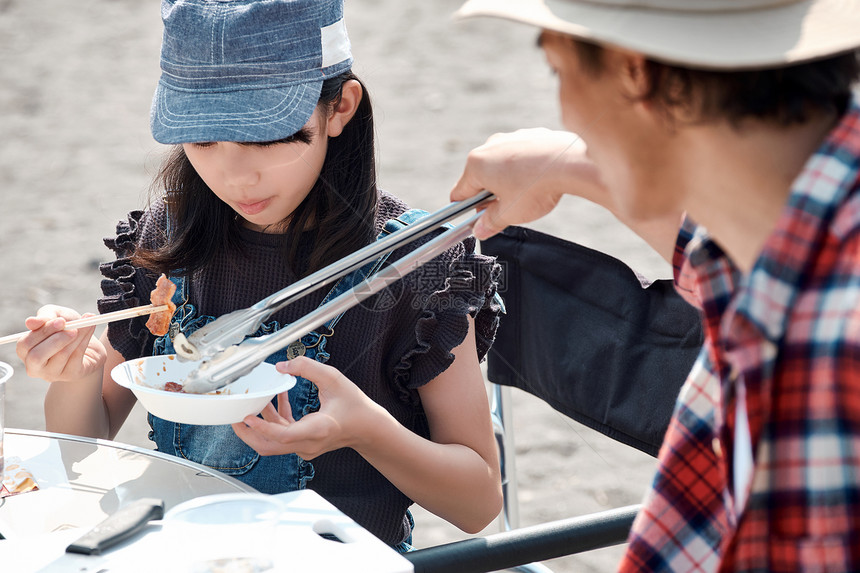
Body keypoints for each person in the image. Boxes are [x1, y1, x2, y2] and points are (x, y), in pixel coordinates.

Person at [16, 0, 503, 551]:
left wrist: (366, 430)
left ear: (339, 107)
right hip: (179, 553)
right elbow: (85, 440)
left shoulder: (415, 266)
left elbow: (478, 502)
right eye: (203, 140)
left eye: (265, 136)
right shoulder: (171, 240)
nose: (234, 175)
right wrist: (75, 373)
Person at [451, 0, 860, 570]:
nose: (568, 115)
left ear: (633, 70)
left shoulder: (827, 349)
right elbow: (724, 243)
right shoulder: (777, 256)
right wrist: (566, 165)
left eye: (559, 72)